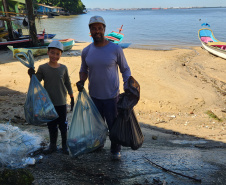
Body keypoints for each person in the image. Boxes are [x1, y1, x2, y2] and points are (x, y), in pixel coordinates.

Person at [76, 15, 131, 160]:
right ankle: (98, 145)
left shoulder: (115, 49)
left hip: (112, 97)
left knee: (114, 126)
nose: (97, 31)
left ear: (104, 29)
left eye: (99, 28)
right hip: (94, 97)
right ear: (90, 31)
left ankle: (115, 150)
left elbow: (125, 69)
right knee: (97, 126)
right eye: (94, 28)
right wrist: (81, 81)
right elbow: (83, 69)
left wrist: (127, 85)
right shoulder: (86, 51)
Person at [28, 40, 74, 155]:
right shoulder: (43, 68)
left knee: (63, 125)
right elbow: (36, 81)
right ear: (48, 52)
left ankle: (64, 146)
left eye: (57, 54)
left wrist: (72, 95)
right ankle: (52, 145)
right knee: (51, 125)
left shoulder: (63, 68)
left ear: (61, 55)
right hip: (48, 103)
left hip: (61, 102)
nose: (55, 56)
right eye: (52, 53)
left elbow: (67, 82)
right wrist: (31, 74)